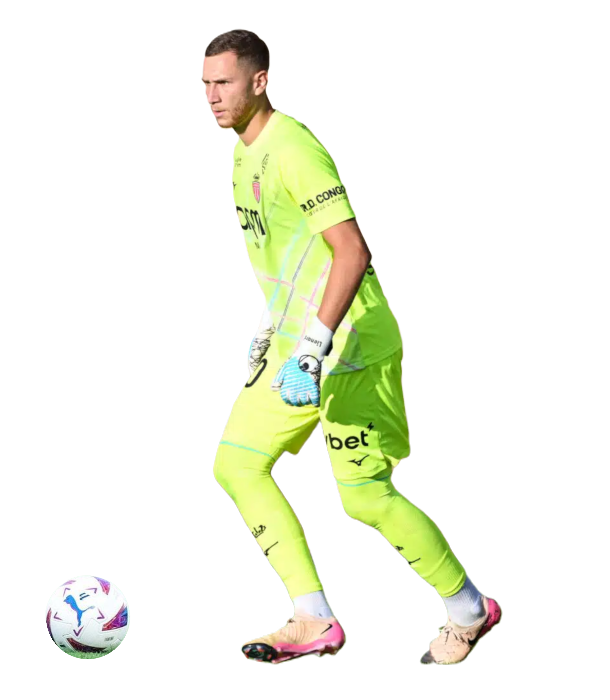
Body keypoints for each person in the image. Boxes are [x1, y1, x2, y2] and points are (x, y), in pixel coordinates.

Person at [203, 28, 502, 665]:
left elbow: (351, 250)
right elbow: (284, 258)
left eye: (224, 81)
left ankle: (469, 609)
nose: (212, 95)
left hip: (350, 348)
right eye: (205, 84)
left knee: (364, 497)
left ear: (260, 80)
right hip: (296, 345)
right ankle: (314, 619)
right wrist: (267, 326)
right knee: (237, 465)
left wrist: (313, 346)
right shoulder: (241, 154)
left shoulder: (294, 149)